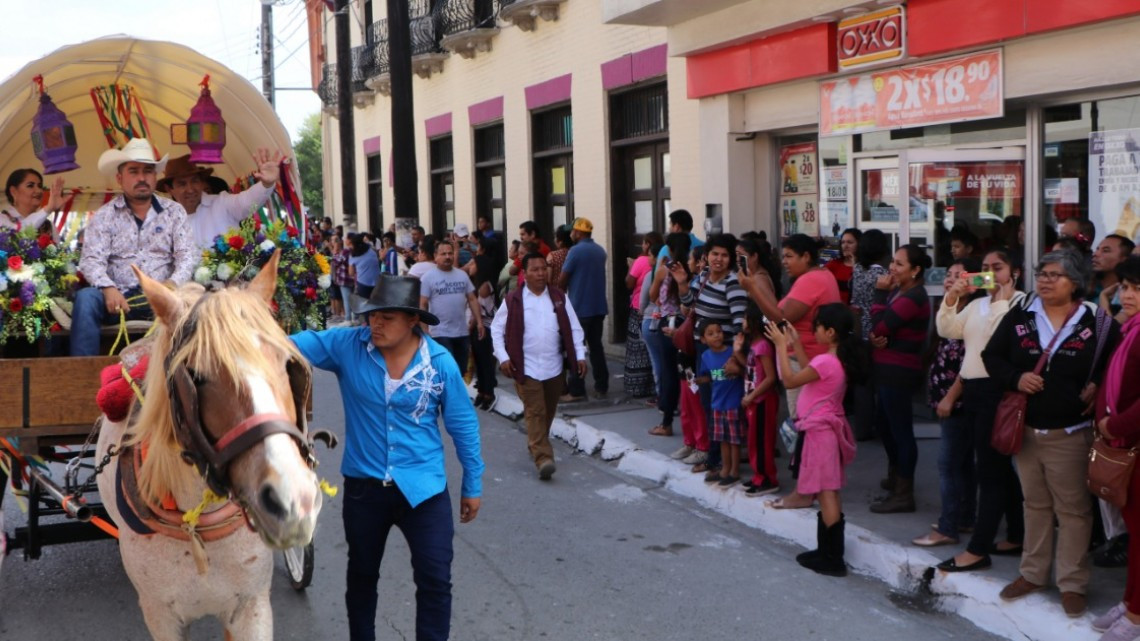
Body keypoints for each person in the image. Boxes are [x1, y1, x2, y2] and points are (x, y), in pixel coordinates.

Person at [290, 275, 483, 641]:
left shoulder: (439, 364)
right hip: (365, 491)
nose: (374, 324)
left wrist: (472, 484)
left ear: (413, 320)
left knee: (435, 580)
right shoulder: (349, 345)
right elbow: (287, 346)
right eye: (371, 315)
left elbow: (464, 428)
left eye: (386, 317)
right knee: (361, 577)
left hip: (423, 492)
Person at [982, 249, 1119, 618]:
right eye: (1041, 273)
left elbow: (1119, 365)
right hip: (1025, 433)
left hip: (1071, 434)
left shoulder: (1097, 323)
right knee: (1035, 505)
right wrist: (1015, 378)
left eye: (1054, 275)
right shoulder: (1022, 315)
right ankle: (1033, 574)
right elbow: (991, 357)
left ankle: (1072, 584)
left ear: (1075, 282)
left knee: (1073, 512)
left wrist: (1098, 384)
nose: (1044, 280)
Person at [935, 247, 1027, 573]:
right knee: (997, 469)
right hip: (974, 391)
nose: (990, 273)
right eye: (985, 268)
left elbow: (994, 344)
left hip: (998, 393)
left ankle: (978, 548)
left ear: (1013, 271)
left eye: (997, 267)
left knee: (990, 472)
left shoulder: (1021, 304)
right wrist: (952, 298)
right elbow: (948, 330)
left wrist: (1000, 299)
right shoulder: (977, 304)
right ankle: (1017, 533)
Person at [742, 234, 841, 509]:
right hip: (810, 358)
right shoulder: (821, 276)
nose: (784, 262)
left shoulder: (811, 280)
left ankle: (805, 490)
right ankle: (811, 487)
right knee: (806, 429)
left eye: (789, 256)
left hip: (805, 360)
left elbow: (777, 316)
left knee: (803, 429)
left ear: (806, 257)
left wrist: (752, 288)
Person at [765, 303, 864, 577]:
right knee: (826, 490)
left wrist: (779, 345)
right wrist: (795, 346)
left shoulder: (827, 361)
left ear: (830, 332)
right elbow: (811, 372)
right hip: (824, 431)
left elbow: (790, 380)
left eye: (817, 326)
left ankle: (833, 558)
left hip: (820, 433)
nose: (813, 330)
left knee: (827, 491)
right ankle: (826, 551)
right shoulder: (832, 361)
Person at [72, 138, 194, 356]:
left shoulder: (175, 212)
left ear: (155, 177)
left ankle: (194, 376)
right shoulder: (104, 216)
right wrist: (108, 288)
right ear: (120, 178)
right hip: (117, 299)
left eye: (148, 171)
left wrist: (171, 285)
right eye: (134, 171)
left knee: (200, 298)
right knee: (86, 299)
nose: (141, 178)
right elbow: (91, 260)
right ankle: (82, 375)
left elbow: (187, 257)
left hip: (162, 298)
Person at [491, 253, 587, 480]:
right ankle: (543, 458)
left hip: (554, 367)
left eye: (544, 268)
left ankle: (535, 443)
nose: (541, 273)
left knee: (548, 412)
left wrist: (580, 355)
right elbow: (496, 330)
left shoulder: (558, 297)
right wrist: (503, 357)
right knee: (536, 411)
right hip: (526, 367)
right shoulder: (513, 299)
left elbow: (574, 328)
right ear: (525, 273)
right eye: (535, 269)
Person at [912, 257, 982, 547]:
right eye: (950, 274)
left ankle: (948, 526)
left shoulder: (976, 314)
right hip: (950, 400)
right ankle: (963, 517)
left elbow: (969, 364)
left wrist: (950, 397)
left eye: (960, 275)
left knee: (948, 465)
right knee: (963, 464)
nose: (952, 280)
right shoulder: (951, 311)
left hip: (960, 402)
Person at [669, 234, 747, 479]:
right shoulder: (702, 277)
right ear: (707, 256)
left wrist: (735, 358)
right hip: (702, 352)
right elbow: (689, 303)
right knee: (707, 404)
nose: (719, 259)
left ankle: (719, 462)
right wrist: (682, 283)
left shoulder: (733, 284)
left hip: (724, 354)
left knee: (720, 408)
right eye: (715, 254)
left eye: (724, 255)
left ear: (731, 259)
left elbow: (739, 325)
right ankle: (717, 459)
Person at [1091, 255, 1140, 640]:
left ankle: (1137, 615)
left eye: (1136, 288)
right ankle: (1131, 601)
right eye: (1125, 287)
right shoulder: (1131, 329)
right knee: (1135, 530)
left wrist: (1114, 424)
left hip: (1132, 440)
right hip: (1126, 445)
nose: (1127, 294)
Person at [867, 244, 932, 514]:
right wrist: (876, 336)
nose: (892, 268)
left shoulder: (914, 296)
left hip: (899, 371)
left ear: (915, 270)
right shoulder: (900, 290)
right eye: (893, 261)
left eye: (900, 264)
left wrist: (879, 294)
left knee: (901, 431)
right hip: (886, 368)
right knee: (886, 426)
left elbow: (881, 324)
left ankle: (904, 493)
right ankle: (896, 478)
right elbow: (879, 330)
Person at [157, 150, 283, 250]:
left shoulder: (221, 203)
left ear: (202, 183)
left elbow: (247, 201)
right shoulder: (164, 221)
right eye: (182, 184)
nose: (190, 189)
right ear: (169, 189)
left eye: (194, 181)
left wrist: (266, 184)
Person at [646, 233, 691, 440]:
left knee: (668, 373)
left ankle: (666, 422)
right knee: (689, 372)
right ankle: (692, 422)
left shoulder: (664, 270)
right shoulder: (693, 270)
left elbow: (653, 296)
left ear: (669, 249)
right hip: (689, 324)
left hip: (668, 324)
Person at [560, 217, 610, 401]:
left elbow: (563, 278)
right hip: (598, 306)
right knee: (596, 347)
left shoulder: (575, 251)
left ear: (579, 233)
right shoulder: (599, 251)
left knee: (575, 348)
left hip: (580, 307)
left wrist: (558, 295)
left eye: (572, 230)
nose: (570, 233)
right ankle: (601, 386)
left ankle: (576, 390)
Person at [848, 229, 890, 441]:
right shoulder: (881, 274)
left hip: (858, 330)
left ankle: (862, 427)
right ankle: (876, 425)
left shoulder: (857, 270)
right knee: (876, 381)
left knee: (862, 382)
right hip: (875, 329)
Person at [693, 319, 745, 487]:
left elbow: (744, 371)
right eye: (711, 333)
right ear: (703, 340)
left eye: (719, 332)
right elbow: (708, 376)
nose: (716, 336)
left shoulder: (732, 352)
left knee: (734, 441)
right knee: (722, 439)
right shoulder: (705, 356)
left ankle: (734, 471)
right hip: (717, 404)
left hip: (733, 402)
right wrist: (699, 380)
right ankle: (725, 468)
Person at [735, 301, 779, 496]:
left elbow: (770, 378)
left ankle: (767, 478)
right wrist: (737, 352)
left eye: (745, 318)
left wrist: (752, 395)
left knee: (762, 441)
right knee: (754, 440)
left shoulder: (762, 346)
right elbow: (752, 370)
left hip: (762, 401)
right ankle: (758, 475)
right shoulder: (754, 344)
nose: (742, 322)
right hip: (754, 400)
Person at [419, 242, 482, 374]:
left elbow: (472, 299)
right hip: (439, 332)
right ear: (436, 256)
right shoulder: (428, 277)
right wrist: (425, 329)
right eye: (443, 254)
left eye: (450, 253)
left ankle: (457, 394)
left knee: (461, 370)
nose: (447, 257)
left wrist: (479, 322)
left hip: (462, 332)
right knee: (446, 370)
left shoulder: (462, 275)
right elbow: (422, 303)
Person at [624, 232, 663, 399]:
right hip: (658, 312)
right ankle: (655, 387)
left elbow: (629, 283)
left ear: (648, 245)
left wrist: (630, 267)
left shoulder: (641, 261)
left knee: (637, 350)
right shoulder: (664, 264)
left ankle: (637, 387)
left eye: (644, 243)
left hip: (640, 309)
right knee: (654, 354)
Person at [468, 235, 502, 410]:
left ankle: (488, 392)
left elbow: (477, 313)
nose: (470, 267)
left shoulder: (483, 287)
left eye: (473, 264)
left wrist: (470, 327)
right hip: (478, 328)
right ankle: (481, 391)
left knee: (485, 362)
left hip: (485, 328)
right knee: (479, 362)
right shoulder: (476, 283)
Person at [2, 168, 64, 236]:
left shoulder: (48, 225)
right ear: (14, 191)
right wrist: (48, 209)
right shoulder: (3, 219)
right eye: (30, 186)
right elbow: (20, 232)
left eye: (40, 186)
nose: (39, 191)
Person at [1095, 234, 1136, 315]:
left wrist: (1103, 297)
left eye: (1106, 250)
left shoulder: (1129, 298)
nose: (1096, 254)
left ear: (1124, 259)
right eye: (1097, 249)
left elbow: (1110, 327)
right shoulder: (1086, 287)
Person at [825, 228, 861, 305]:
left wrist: (855, 265)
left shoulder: (863, 267)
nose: (845, 246)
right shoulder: (833, 264)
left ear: (859, 244)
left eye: (850, 242)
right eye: (843, 242)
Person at [347, 232, 381, 299]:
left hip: (363, 283)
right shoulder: (371, 250)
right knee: (376, 306)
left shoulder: (353, 256)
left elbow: (351, 273)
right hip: (377, 282)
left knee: (365, 306)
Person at [546, 226, 573, 295]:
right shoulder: (575, 254)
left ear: (560, 242)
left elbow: (548, 280)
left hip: (556, 294)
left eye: (555, 237)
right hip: (572, 294)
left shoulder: (552, 255)